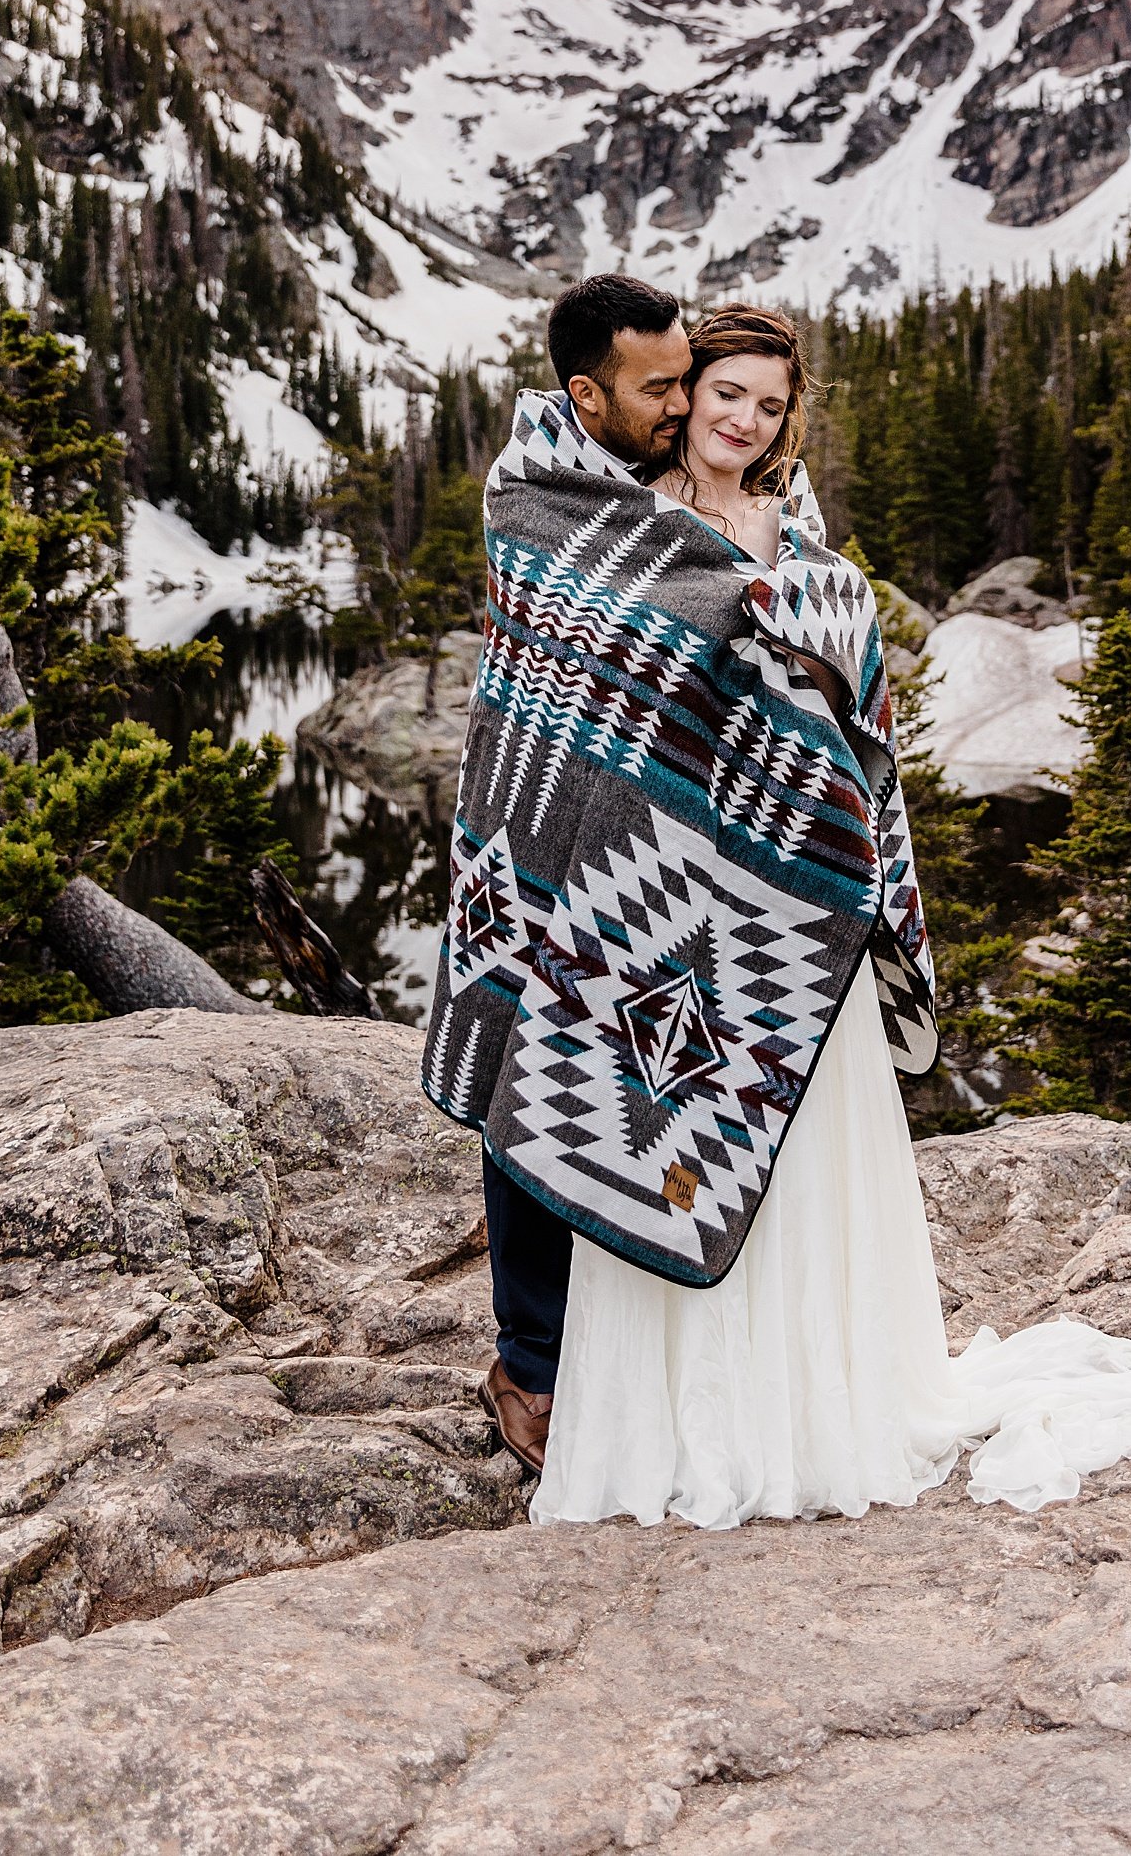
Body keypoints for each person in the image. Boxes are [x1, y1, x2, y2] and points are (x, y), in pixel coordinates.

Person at [425, 284, 1131, 1526]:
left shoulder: (796, 532)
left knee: (742, 1111)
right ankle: (542, 1368)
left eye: (768, 405)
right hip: (601, 871)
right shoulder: (584, 511)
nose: (737, 422)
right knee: (555, 1082)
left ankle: (770, 1374)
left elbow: (840, 703)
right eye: (712, 394)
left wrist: (801, 632)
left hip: (758, 900)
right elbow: (580, 660)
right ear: (667, 391)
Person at [471, 272, 693, 1474]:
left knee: (648, 1078)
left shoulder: (694, 478)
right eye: (658, 385)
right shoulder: (534, 492)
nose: (684, 398)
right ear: (584, 394)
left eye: (685, 372)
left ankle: (636, 1339)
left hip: (661, 856)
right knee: (531, 1080)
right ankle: (530, 1363)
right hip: (543, 834)